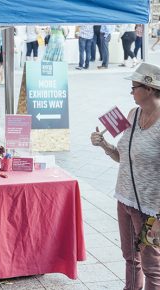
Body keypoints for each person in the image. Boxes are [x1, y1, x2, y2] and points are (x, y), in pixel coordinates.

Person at [90, 62, 160, 290]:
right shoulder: (132, 114)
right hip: (125, 199)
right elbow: (123, 157)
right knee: (131, 258)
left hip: (151, 209)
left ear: (149, 89)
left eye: (134, 87)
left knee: (153, 268)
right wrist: (103, 145)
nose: (131, 92)